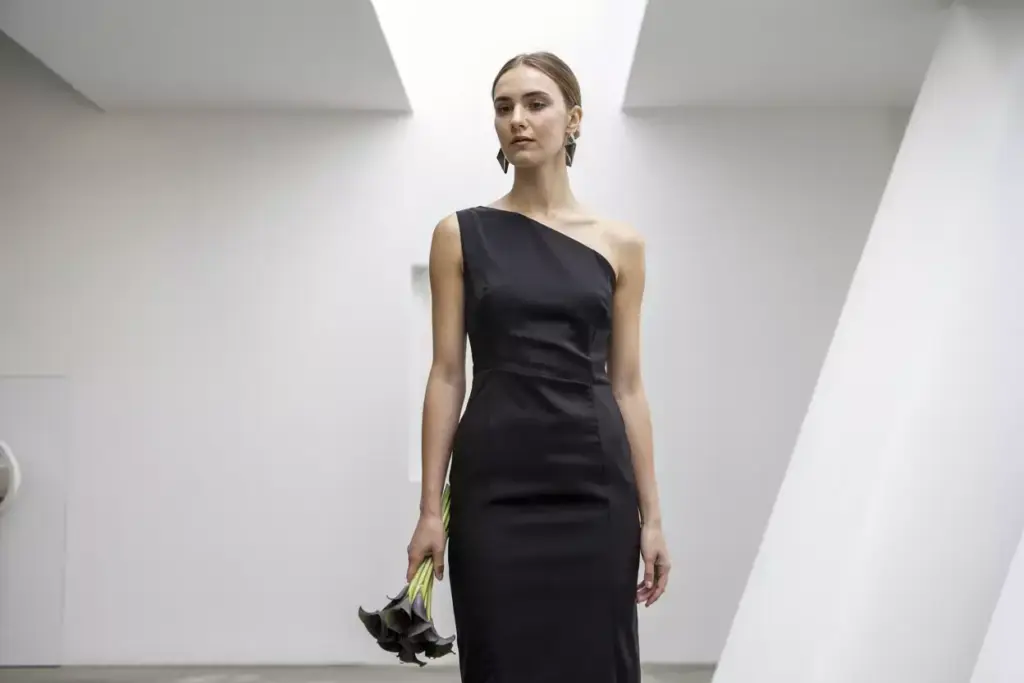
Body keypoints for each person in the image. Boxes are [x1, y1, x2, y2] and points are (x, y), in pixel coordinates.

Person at [405, 51, 670, 683]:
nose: (517, 120)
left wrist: (653, 518)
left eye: (535, 104)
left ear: (573, 120)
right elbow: (447, 373)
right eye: (503, 107)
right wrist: (429, 510)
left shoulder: (622, 244)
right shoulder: (459, 234)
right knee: (501, 661)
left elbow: (628, 384)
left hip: (593, 485)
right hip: (494, 486)